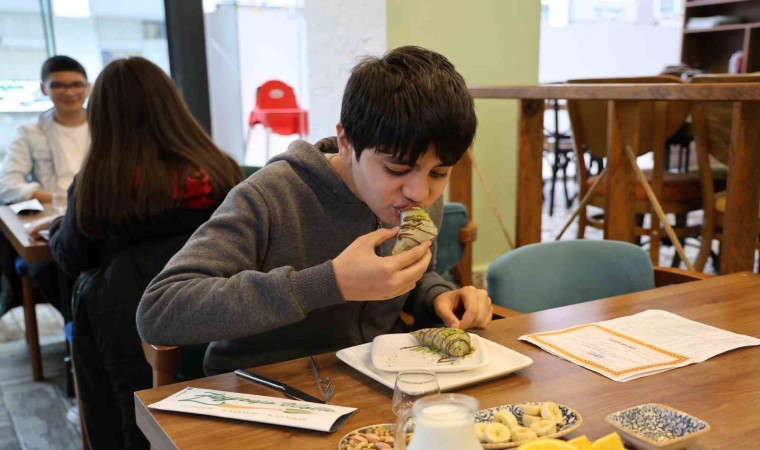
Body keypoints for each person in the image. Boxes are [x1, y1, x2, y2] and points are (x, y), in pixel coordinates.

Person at [137, 45, 493, 376]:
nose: (420, 192)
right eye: (396, 169)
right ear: (346, 143)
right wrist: (328, 283)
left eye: (439, 173)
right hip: (263, 388)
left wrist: (438, 295)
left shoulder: (418, 198)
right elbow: (158, 311)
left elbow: (412, 278)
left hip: (377, 378)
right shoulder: (270, 196)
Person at [47, 57, 242, 450]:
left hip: (126, 327)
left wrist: (56, 227)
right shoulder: (219, 170)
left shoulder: (100, 183)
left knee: (127, 422)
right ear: (172, 105)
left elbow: (72, 257)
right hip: (216, 318)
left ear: (102, 116)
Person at [0, 55, 90, 317]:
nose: (69, 92)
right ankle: (77, 326)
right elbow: (7, 184)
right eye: (58, 85)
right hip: (56, 216)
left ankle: (90, 327)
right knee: (49, 270)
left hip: (98, 213)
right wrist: (56, 198)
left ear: (88, 87)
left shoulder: (106, 125)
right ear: (43, 88)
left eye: (76, 84)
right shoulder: (30, 132)